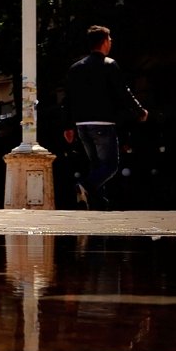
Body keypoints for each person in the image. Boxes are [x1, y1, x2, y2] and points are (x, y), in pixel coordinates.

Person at [64, 24, 147, 211]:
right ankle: (84, 186)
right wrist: (139, 111)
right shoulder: (109, 64)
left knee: (96, 166)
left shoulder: (75, 68)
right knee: (110, 166)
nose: (111, 42)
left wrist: (68, 126)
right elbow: (123, 92)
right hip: (102, 123)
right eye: (109, 39)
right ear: (103, 42)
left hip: (82, 125)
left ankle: (97, 204)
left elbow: (68, 99)